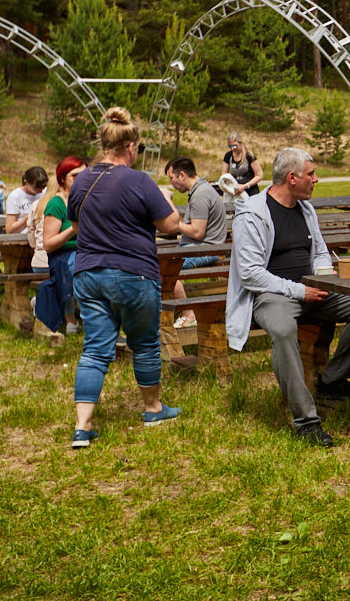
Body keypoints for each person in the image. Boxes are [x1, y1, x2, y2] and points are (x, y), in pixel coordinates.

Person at [226, 148, 350, 447]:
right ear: (292, 178)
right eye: (311, 174)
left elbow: (319, 250)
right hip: (272, 295)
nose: (316, 179)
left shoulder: (306, 209)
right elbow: (250, 274)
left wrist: (326, 277)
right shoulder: (252, 213)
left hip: (312, 290)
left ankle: (332, 380)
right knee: (283, 331)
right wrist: (299, 290)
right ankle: (306, 421)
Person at [68, 107, 183, 449]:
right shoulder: (140, 181)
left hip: (88, 273)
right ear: (130, 146)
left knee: (94, 349)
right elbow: (171, 225)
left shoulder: (82, 181)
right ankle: (153, 408)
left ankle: (82, 427)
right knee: (144, 342)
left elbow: (76, 226)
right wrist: (164, 200)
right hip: (133, 273)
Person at [164, 157, 229, 329]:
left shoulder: (201, 194)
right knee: (166, 265)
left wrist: (175, 224)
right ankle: (175, 310)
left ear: (182, 175)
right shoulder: (201, 190)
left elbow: (197, 232)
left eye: (172, 178)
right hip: (201, 247)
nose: (172, 183)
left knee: (166, 268)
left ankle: (188, 314)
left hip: (205, 249)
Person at [34, 156, 90, 336]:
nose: (81, 180)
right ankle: (74, 318)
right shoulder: (56, 204)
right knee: (79, 267)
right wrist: (73, 230)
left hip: (88, 252)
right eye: (75, 176)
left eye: (84, 175)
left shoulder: (90, 199)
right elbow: (48, 244)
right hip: (63, 255)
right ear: (62, 180)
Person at [5, 166, 49, 234]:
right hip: (24, 235)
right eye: (36, 188)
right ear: (26, 182)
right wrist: (28, 218)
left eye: (43, 187)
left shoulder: (46, 192)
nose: (41, 191)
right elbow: (9, 229)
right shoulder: (15, 196)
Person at [222, 132, 263, 196]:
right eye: (230, 146)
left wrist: (245, 186)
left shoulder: (249, 156)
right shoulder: (228, 156)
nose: (232, 148)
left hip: (250, 192)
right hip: (235, 192)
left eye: (235, 146)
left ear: (240, 143)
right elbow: (224, 175)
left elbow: (259, 175)